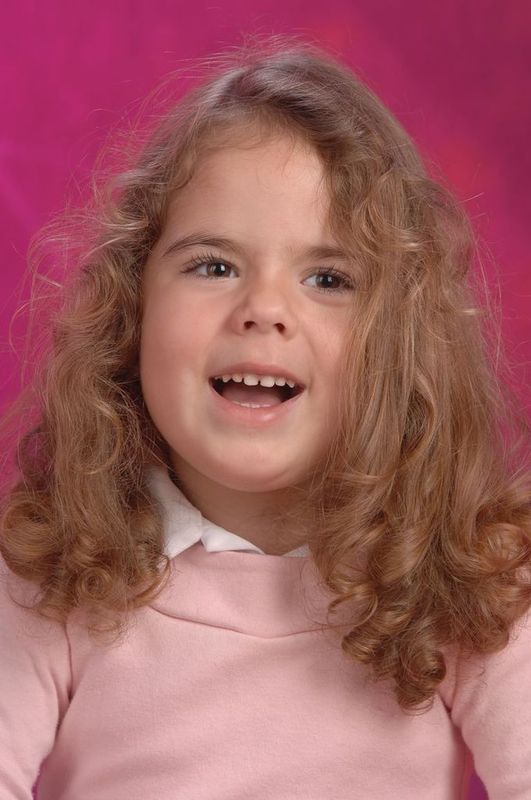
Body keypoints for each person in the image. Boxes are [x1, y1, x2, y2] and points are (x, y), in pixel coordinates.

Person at [0, 34, 530, 800]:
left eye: (328, 278)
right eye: (213, 266)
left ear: (402, 339)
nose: (263, 310)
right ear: (131, 312)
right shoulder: (50, 574)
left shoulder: (471, 580)